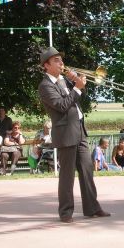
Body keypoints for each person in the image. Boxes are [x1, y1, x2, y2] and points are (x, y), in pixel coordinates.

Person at [38, 46, 110, 223]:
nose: (61, 62)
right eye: (56, 60)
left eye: (60, 59)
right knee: (67, 175)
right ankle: (65, 212)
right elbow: (62, 105)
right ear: (46, 65)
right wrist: (77, 88)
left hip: (80, 131)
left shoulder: (65, 80)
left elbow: (79, 98)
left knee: (87, 171)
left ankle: (92, 208)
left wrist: (79, 84)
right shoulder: (45, 86)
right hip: (65, 133)